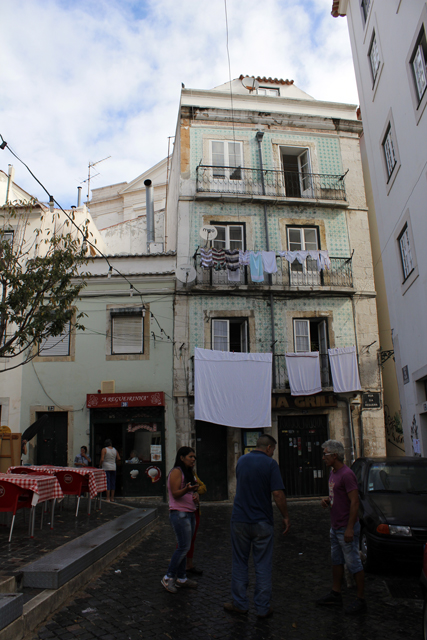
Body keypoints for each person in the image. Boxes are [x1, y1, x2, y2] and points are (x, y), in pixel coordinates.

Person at [224, 434, 290, 618]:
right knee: (262, 565)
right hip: (262, 521)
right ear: (268, 448)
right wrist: (285, 516)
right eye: (273, 450)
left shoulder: (242, 461)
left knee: (239, 562)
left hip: (239, 519)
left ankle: (240, 603)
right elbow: (277, 493)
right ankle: (262, 607)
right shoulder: (270, 464)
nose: (273, 454)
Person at [316, 439, 367, 615]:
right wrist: (327, 501)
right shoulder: (333, 473)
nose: (323, 457)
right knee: (336, 561)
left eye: (325, 454)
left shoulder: (347, 474)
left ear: (334, 455)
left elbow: (354, 502)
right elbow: (337, 496)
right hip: (335, 526)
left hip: (345, 527)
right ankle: (335, 594)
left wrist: (350, 528)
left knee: (353, 563)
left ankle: (361, 599)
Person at [162, 446, 199, 594]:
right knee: (183, 546)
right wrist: (187, 490)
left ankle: (182, 578)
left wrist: (195, 496)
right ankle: (168, 576)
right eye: (190, 457)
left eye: (194, 457)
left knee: (186, 546)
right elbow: (176, 493)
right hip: (179, 513)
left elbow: (194, 491)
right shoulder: (176, 472)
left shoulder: (189, 473)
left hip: (190, 511)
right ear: (182, 457)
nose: (193, 459)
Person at [186, 473, 207, 575]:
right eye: (190, 457)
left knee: (192, 539)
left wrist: (196, 491)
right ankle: (179, 567)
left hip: (196, 510)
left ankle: (189, 564)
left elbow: (203, 487)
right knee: (183, 541)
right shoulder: (178, 474)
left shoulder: (193, 474)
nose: (193, 460)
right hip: (185, 511)